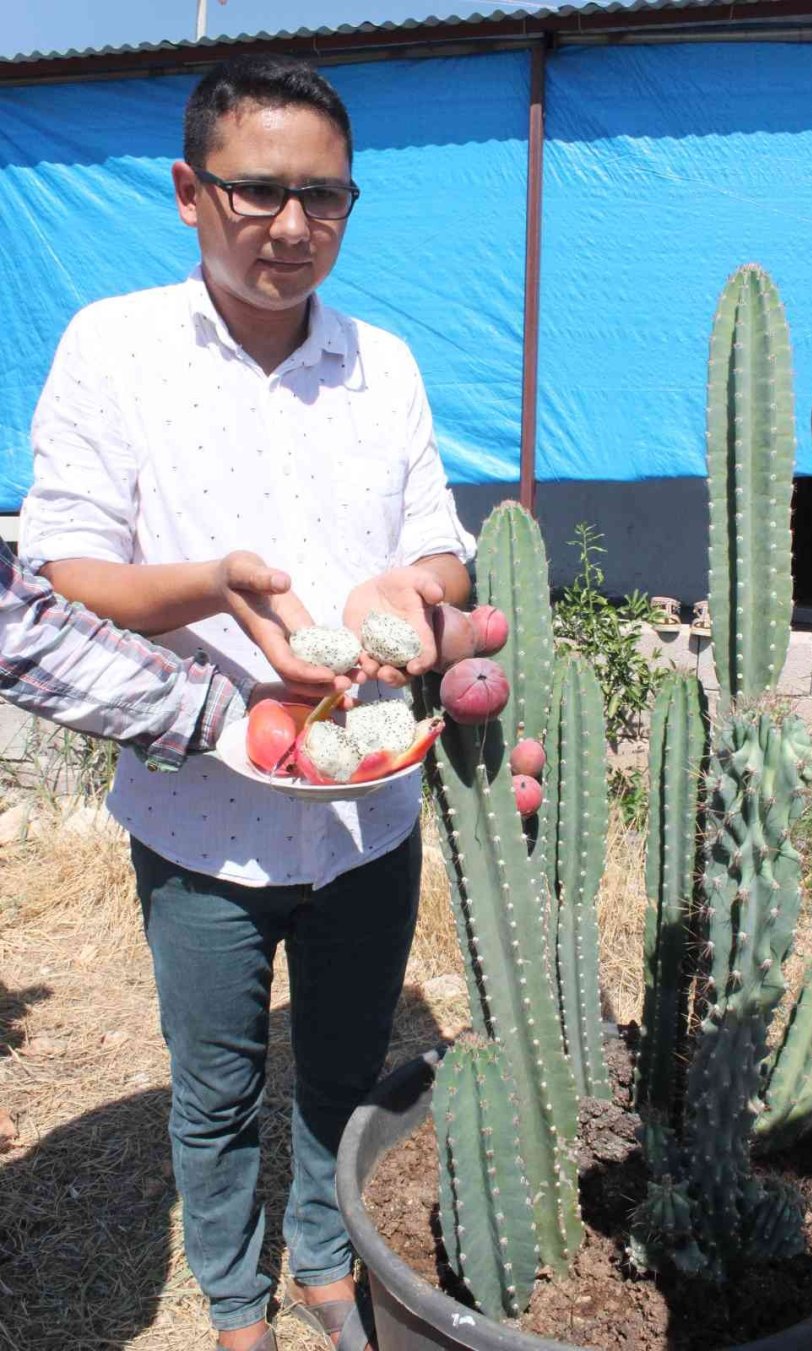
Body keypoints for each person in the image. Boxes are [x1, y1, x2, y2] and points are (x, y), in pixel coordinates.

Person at [19, 53, 475, 1351]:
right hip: (199, 811)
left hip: (367, 810)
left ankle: (327, 1256)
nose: (290, 227)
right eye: (256, 191)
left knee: (340, 1074)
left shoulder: (379, 364)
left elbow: (441, 545)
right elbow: (66, 568)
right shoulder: (114, 350)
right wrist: (213, 585)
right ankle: (232, 1299)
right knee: (215, 1088)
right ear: (187, 191)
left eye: (322, 198)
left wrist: (415, 585)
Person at [0, 538, 294, 764]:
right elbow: (25, 631)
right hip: (187, 815)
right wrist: (214, 586)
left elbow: (26, 632)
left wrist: (243, 708)